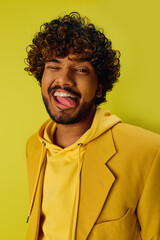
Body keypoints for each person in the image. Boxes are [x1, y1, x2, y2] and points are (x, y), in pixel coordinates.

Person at [24, 12, 160, 240]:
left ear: (99, 87)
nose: (64, 79)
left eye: (80, 69)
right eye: (53, 66)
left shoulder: (149, 151)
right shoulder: (33, 147)